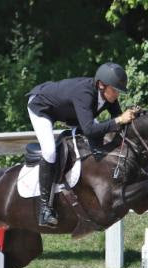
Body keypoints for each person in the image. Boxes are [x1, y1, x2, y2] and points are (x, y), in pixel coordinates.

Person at [26, 62, 138, 227]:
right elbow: (91, 129)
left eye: (118, 91)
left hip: (69, 111)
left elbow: (118, 124)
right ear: (101, 85)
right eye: (114, 90)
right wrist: (119, 119)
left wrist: (132, 117)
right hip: (41, 107)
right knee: (50, 151)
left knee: (98, 139)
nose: (116, 95)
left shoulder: (108, 96)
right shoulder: (84, 94)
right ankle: (45, 209)